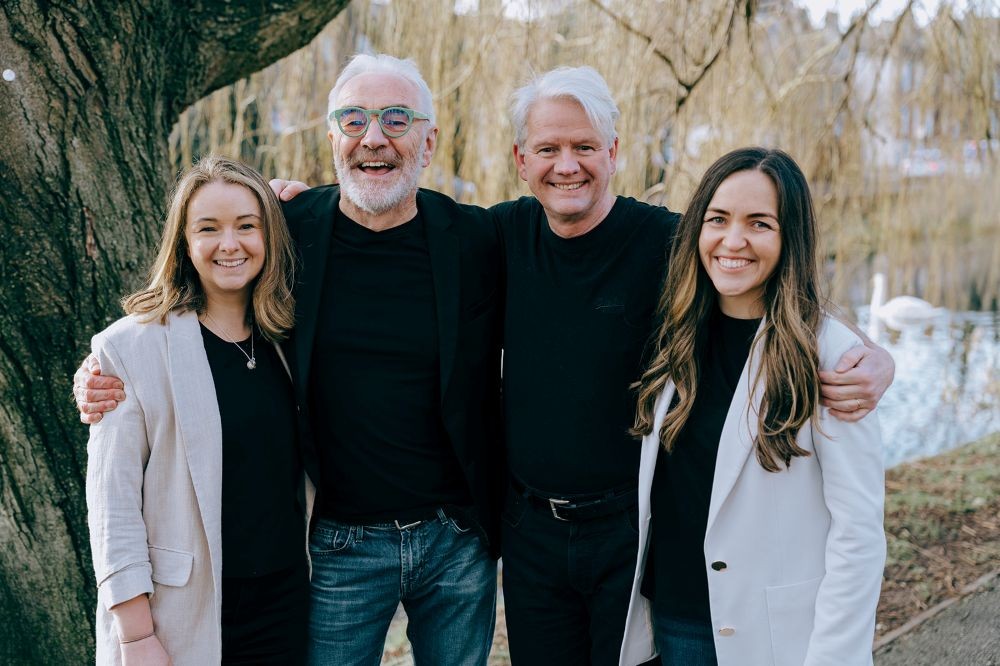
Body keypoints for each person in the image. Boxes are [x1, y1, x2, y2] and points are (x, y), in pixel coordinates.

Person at [78, 55, 503, 666]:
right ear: (331, 139)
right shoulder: (293, 228)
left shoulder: (480, 238)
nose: (373, 138)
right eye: (353, 120)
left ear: (429, 139)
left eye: (395, 119)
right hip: (338, 543)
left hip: (455, 541)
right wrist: (96, 374)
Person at [490, 68, 892, 666]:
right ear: (522, 159)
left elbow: (779, 289)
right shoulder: (499, 235)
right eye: (548, 148)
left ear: (614, 153)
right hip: (553, 544)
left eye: (584, 147)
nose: (566, 165)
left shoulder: (670, 243)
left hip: (633, 538)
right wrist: (299, 201)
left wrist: (879, 358)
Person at [620, 148, 886, 665]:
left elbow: (858, 534)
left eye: (759, 223)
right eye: (717, 219)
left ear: (791, 239)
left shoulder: (830, 355)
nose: (733, 240)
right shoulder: (673, 337)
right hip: (677, 620)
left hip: (774, 635)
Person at [85, 156, 308, 666]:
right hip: (178, 615)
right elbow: (112, 505)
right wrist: (135, 635)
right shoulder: (131, 349)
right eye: (209, 228)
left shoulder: (289, 340)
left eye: (246, 226)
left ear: (270, 235)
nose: (229, 244)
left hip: (285, 608)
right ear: (185, 242)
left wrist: (303, 198)